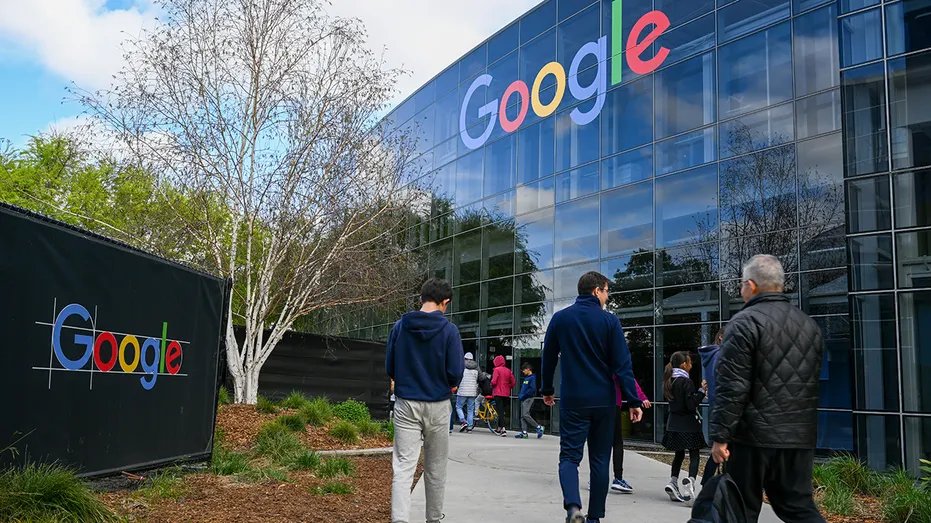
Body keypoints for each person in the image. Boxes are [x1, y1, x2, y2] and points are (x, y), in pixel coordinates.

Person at [711, 255, 826, 523]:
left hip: (753, 437)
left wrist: (720, 436)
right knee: (797, 507)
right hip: (798, 435)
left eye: (741, 285)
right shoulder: (809, 325)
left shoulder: (744, 322)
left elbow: (732, 387)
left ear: (751, 286)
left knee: (739, 509)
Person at [541, 271, 643, 523]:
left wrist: (546, 390)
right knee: (600, 460)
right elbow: (622, 364)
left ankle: (573, 509)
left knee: (568, 457)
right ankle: (594, 518)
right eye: (607, 291)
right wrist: (633, 400)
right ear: (596, 290)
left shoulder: (561, 319)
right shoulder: (609, 321)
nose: (608, 297)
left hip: (574, 400)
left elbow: (549, 357)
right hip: (604, 401)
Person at [386, 278, 464, 523]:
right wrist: (448, 382)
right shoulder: (449, 330)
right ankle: (433, 519)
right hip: (438, 404)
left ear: (421, 299)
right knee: (436, 468)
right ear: (445, 302)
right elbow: (456, 371)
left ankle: (400, 520)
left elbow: (390, 366)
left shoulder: (400, 327)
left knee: (403, 467)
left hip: (407, 403)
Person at [661, 351, 707, 505]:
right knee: (694, 454)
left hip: (673, 425)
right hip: (688, 425)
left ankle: (673, 482)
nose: (691, 365)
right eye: (690, 362)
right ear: (683, 365)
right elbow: (691, 404)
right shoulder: (686, 382)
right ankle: (690, 481)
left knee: (678, 454)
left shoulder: (669, 380)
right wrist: (701, 392)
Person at [609, 375, 651, 493]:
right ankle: (618, 478)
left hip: (593, 402)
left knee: (599, 442)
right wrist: (639, 398)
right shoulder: (613, 357)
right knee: (617, 442)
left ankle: (595, 478)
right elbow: (626, 376)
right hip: (612, 402)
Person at [697, 327, 725, 486]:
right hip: (725, 412)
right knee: (720, 453)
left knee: (718, 452)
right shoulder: (720, 356)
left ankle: (706, 487)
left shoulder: (713, 356)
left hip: (720, 411)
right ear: (721, 338)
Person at [515, 362, 543, 439]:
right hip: (524, 398)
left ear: (528, 369)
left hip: (528, 398)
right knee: (522, 416)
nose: (523, 372)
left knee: (525, 414)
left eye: (524, 370)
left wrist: (523, 396)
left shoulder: (532, 378)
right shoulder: (527, 378)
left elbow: (532, 389)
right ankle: (524, 433)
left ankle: (538, 427)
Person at [491, 355, 515, 437]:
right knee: (502, 411)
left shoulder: (496, 370)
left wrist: (491, 385)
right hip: (506, 393)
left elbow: (494, 382)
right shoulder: (508, 371)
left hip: (498, 393)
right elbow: (513, 382)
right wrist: (508, 387)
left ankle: (503, 429)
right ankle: (499, 428)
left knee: (500, 411)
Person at [456, 352, 480, 432]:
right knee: (470, 409)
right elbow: (480, 378)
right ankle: (469, 427)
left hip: (462, 391)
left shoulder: (461, 367)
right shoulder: (476, 368)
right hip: (472, 392)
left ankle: (463, 421)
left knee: (458, 407)